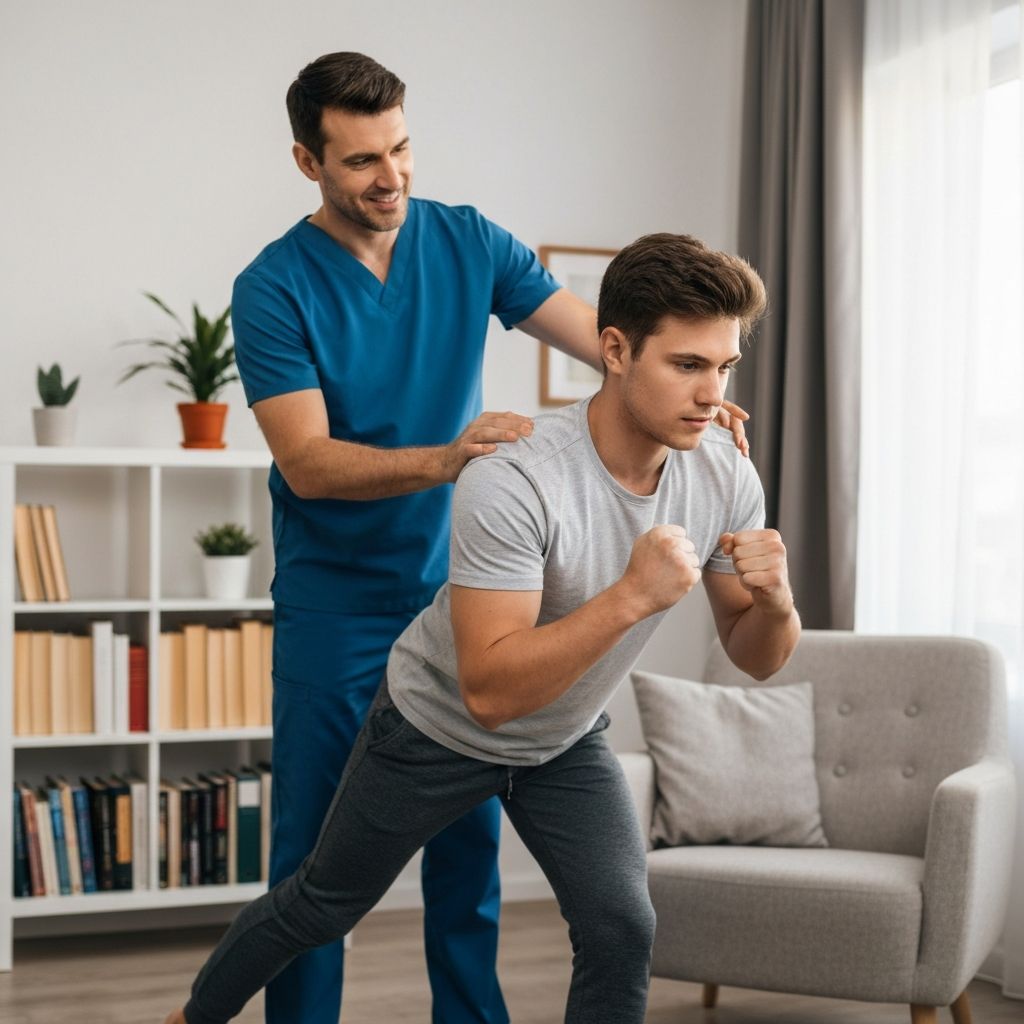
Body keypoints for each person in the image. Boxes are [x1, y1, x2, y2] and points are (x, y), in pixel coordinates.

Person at [230, 51, 752, 1024]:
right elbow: (306, 462)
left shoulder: (467, 240)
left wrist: (691, 382)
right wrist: (447, 458)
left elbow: (608, 334)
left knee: (467, 854)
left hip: (461, 590)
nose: (390, 176)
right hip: (335, 604)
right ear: (308, 162)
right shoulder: (272, 286)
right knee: (314, 864)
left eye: (400, 148)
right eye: (360, 160)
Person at [165, 231, 800, 1024]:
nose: (712, 395)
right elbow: (491, 694)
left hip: (561, 740)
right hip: (435, 730)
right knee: (322, 904)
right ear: (614, 350)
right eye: (687, 365)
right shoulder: (517, 475)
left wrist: (777, 604)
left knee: (621, 925)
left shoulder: (725, 472)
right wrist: (630, 598)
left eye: (724, 367)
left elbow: (756, 658)